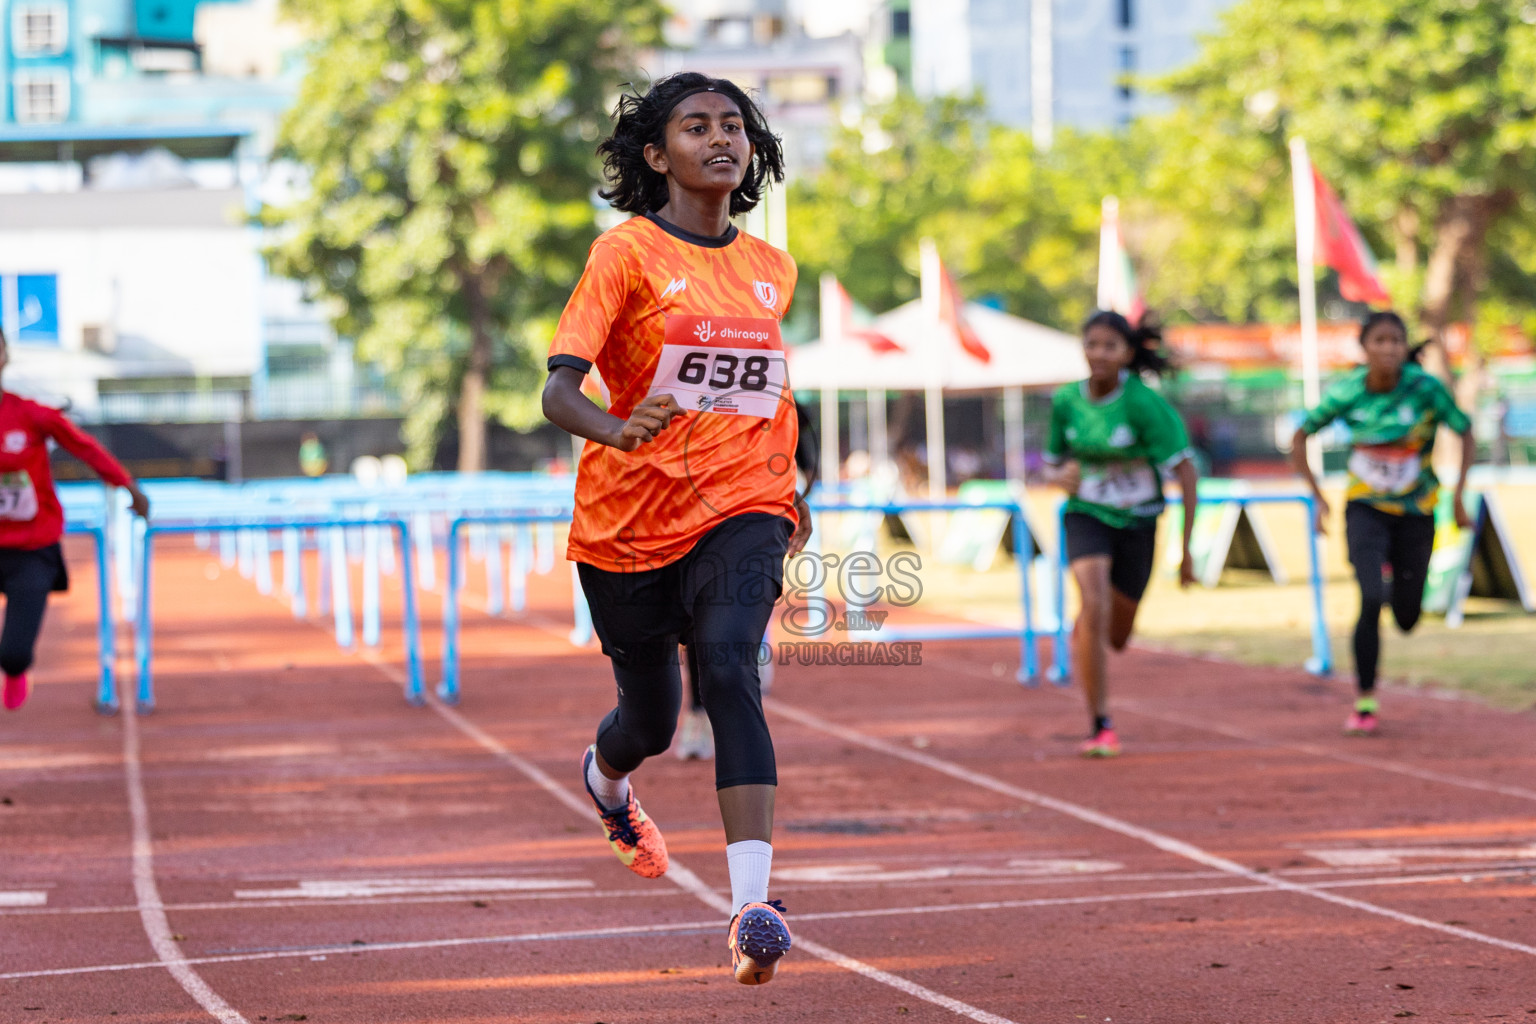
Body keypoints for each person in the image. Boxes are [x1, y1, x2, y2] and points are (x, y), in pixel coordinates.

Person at [540, 72, 809, 986]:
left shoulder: (773, 270)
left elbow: (769, 387)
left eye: (733, 126)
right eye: (696, 128)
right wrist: (616, 429)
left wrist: (789, 484)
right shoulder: (624, 254)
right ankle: (607, 784)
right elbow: (558, 388)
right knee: (649, 723)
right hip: (627, 525)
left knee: (732, 669)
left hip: (742, 506)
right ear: (657, 155)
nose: (720, 140)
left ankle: (753, 910)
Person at [1290, 311, 1473, 735]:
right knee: (1371, 597)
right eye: (1379, 340)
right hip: (1365, 508)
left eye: (1396, 340)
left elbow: (1464, 431)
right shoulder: (1349, 392)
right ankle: (1365, 700)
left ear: (1404, 347)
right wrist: (1317, 498)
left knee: (1407, 617)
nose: (1388, 348)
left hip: (1417, 511)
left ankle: (1396, 582)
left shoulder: (1425, 389)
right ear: (1365, 347)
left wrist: (1459, 494)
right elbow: (1301, 435)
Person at [1042, 311, 1198, 758]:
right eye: (1092, 344)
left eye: (1110, 346)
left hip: (1138, 521)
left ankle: (1092, 628)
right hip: (1086, 514)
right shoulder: (1066, 401)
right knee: (1093, 602)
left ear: (1127, 354)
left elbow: (1185, 472)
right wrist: (1059, 476)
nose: (1099, 354)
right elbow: (1050, 462)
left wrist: (1186, 548)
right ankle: (1100, 722)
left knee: (1117, 636)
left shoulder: (1144, 405)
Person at [0, 326, 150, 710]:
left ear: (5, 356)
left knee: (14, 652)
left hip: (31, 547)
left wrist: (127, 485)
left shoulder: (32, 415)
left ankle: (15, 671)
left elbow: (86, 448)